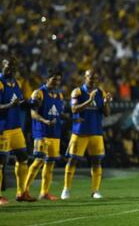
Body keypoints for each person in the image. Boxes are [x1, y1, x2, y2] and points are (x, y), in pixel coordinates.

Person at [61, 69, 112, 199]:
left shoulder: (100, 92)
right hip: (80, 132)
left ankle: (95, 191)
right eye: (90, 77)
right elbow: (73, 109)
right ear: (85, 78)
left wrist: (106, 103)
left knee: (96, 161)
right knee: (73, 160)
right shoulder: (77, 91)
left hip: (96, 132)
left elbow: (106, 113)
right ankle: (66, 189)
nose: (93, 80)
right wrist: (89, 100)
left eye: (95, 78)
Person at [22, 68, 64, 201]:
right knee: (38, 161)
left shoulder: (60, 95)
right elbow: (32, 113)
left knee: (50, 163)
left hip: (54, 133)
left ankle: (44, 192)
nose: (56, 82)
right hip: (41, 132)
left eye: (58, 80)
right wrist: (45, 120)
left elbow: (58, 113)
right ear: (47, 79)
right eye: (54, 79)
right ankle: (24, 190)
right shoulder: (39, 93)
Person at [0, 57, 37, 204]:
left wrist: (30, 104)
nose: (12, 69)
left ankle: (22, 192)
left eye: (14, 66)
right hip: (3, 128)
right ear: (2, 66)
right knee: (1, 162)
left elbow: (19, 103)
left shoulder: (16, 83)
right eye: (9, 66)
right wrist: (9, 105)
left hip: (16, 128)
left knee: (23, 158)